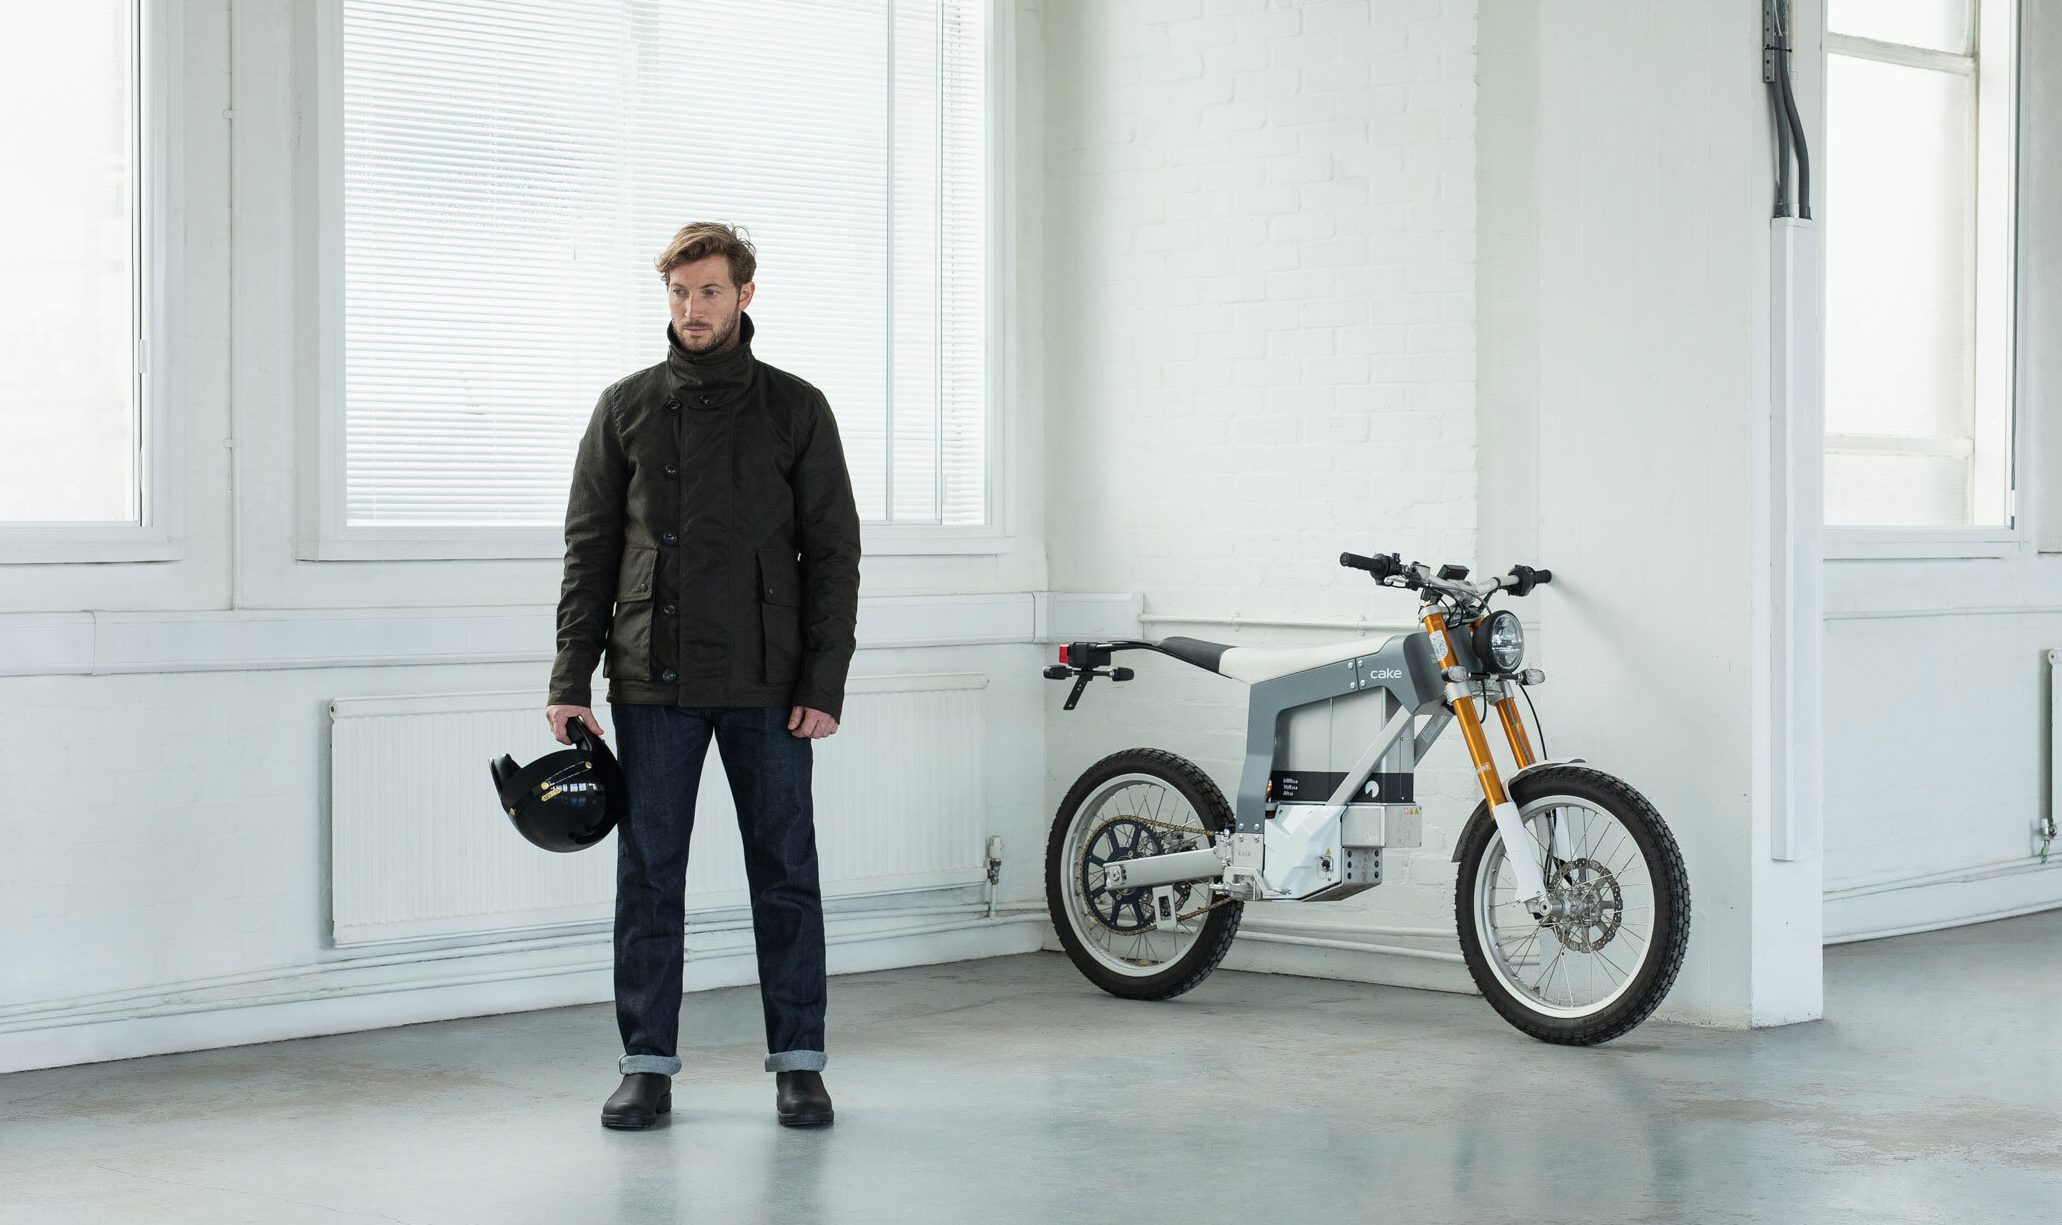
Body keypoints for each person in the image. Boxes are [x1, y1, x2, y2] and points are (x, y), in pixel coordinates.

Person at [544, 221, 861, 1130]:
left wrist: (823, 681)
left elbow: (833, 555)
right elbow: (589, 552)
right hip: (652, 677)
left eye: (710, 292)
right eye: (680, 294)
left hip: (770, 682)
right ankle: (646, 1063)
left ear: (745, 295)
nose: (693, 310)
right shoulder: (625, 407)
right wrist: (572, 675)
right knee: (649, 876)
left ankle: (799, 1063)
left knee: (786, 872)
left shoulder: (798, 409)